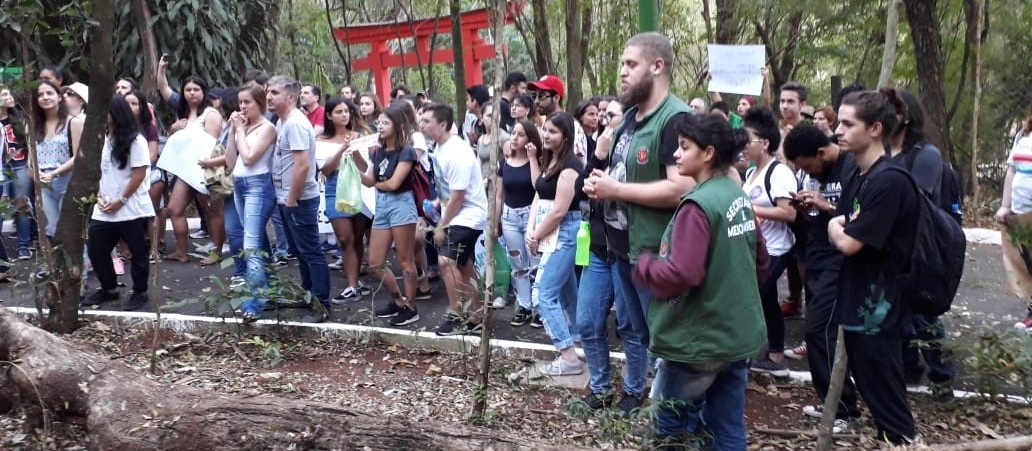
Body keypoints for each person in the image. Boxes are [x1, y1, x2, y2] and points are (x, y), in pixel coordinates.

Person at [634, 113, 768, 450]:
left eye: (684, 147)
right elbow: (760, 260)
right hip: (736, 337)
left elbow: (683, 273)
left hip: (697, 344)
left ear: (707, 153)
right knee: (726, 426)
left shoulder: (698, 205)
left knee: (670, 427)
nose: (676, 155)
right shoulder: (737, 197)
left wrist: (646, 266)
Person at [583, 32, 696, 414]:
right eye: (621, 65)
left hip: (655, 252)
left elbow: (681, 188)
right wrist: (600, 183)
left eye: (630, 65)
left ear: (657, 66)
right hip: (620, 249)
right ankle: (649, 404)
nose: (622, 73)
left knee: (667, 342)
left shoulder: (676, 119)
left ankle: (673, 420)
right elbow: (620, 175)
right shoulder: (630, 119)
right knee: (638, 333)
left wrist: (618, 188)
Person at [828, 88, 918, 444]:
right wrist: (839, 224)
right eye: (838, 122)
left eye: (848, 124)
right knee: (872, 390)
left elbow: (848, 239)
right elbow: (844, 220)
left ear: (876, 128)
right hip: (859, 303)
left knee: (888, 399)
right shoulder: (858, 174)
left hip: (880, 311)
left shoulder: (890, 180)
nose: (838, 131)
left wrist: (835, 227)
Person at [783, 124, 862, 430]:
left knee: (819, 331)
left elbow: (858, 215)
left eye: (808, 166)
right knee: (817, 332)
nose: (809, 173)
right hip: (816, 259)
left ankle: (844, 411)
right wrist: (806, 206)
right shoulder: (820, 172)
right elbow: (817, 216)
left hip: (839, 263)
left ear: (821, 152)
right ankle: (830, 401)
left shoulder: (852, 168)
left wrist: (825, 205)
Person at [890, 90, 955, 398]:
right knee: (897, 314)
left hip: (920, 247)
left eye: (891, 110)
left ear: (906, 116)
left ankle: (942, 379)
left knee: (923, 315)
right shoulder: (883, 152)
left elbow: (918, 198)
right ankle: (907, 369)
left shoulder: (925, 154)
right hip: (890, 248)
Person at [419, 103, 489, 336]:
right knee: (463, 265)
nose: (422, 124)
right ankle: (477, 315)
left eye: (427, 121)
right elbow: (448, 191)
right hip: (457, 213)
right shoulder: (438, 149)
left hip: (468, 215)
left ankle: (457, 315)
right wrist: (433, 208)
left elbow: (458, 197)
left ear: (443, 125)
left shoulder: (457, 153)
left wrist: (441, 226)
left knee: (445, 263)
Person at [264, 75, 331, 320]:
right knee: (302, 252)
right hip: (287, 197)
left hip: (299, 199)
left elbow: (302, 165)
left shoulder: (295, 124)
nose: (269, 96)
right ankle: (309, 295)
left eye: (274, 92)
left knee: (311, 251)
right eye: (268, 92)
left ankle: (322, 304)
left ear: (290, 97)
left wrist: (291, 198)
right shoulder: (282, 122)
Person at [577, 98, 628, 409]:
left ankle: (634, 391)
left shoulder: (635, 156)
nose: (606, 120)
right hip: (597, 249)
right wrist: (598, 156)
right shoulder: (599, 151)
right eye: (604, 115)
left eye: (613, 115)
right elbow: (582, 186)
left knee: (631, 328)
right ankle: (601, 388)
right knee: (587, 322)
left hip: (625, 252)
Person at [528, 112, 586, 376]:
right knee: (566, 291)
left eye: (553, 132)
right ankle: (577, 338)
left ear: (566, 136)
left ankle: (568, 357)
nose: (547, 135)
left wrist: (536, 234)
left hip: (564, 231)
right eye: (545, 130)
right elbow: (540, 191)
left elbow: (560, 210)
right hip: (552, 230)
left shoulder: (571, 166)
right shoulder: (550, 161)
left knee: (542, 294)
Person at [353, 104, 422, 326]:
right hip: (382, 205)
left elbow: (394, 184)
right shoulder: (378, 151)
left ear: (398, 125)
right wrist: (352, 159)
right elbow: (370, 179)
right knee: (375, 262)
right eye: (379, 123)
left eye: (385, 123)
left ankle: (411, 306)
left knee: (405, 259)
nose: (379, 126)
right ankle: (397, 299)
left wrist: (376, 184)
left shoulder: (407, 151)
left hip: (401, 204)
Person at [84, 95, 155, 311]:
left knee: (138, 252)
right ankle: (109, 288)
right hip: (104, 206)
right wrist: (98, 195)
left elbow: (139, 173)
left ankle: (140, 292)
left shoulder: (136, 140)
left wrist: (121, 200)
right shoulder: (103, 138)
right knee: (96, 248)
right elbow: (98, 171)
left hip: (131, 207)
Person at [741, 106, 796, 377]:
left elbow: (789, 212)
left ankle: (750, 354)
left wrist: (753, 210)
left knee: (752, 298)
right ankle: (774, 356)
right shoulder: (751, 173)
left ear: (764, 143)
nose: (742, 146)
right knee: (767, 301)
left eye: (747, 140)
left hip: (775, 249)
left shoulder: (780, 172)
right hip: (755, 248)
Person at [156, 56, 227, 264]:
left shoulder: (211, 113)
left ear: (203, 92)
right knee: (174, 209)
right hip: (185, 171)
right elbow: (164, 88)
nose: (192, 93)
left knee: (212, 210)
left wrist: (183, 129)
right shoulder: (182, 112)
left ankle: (217, 252)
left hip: (206, 169)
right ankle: (181, 251)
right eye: (188, 90)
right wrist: (161, 68)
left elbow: (210, 144)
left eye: (196, 89)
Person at [225, 83, 277, 311]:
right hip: (239, 184)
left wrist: (238, 130)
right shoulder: (241, 129)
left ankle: (253, 304)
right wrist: (232, 132)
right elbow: (230, 161)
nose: (243, 107)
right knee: (259, 241)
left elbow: (249, 158)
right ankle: (272, 290)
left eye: (248, 102)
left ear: (260, 104)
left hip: (259, 186)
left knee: (251, 245)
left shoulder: (267, 128)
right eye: (240, 102)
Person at [318, 98, 372, 302]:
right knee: (344, 238)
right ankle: (351, 285)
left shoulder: (359, 136)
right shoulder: (321, 139)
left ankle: (355, 280)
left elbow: (365, 167)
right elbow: (324, 169)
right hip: (334, 187)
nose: (344, 115)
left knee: (358, 238)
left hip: (358, 188)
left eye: (346, 111)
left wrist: (355, 149)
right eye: (339, 112)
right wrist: (342, 149)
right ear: (329, 116)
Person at [496, 119, 542, 325]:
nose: (514, 138)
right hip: (509, 216)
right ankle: (524, 305)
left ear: (530, 139)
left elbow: (537, 185)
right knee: (518, 264)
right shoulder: (505, 162)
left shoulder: (537, 159)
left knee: (536, 263)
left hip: (531, 215)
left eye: (520, 134)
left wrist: (533, 158)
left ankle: (539, 307)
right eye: (513, 133)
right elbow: (499, 194)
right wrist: (495, 221)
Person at [34, 80, 83, 239]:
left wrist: (55, 173)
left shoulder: (73, 122)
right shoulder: (32, 125)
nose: (45, 97)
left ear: (59, 97)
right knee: (52, 229)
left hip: (66, 180)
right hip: (43, 183)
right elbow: (30, 159)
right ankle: (57, 264)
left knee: (71, 230)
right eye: (40, 94)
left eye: (49, 93)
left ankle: (81, 264)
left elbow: (78, 156)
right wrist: (37, 173)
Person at [998, 103, 1032, 332]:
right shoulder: (1023, 135)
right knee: (1026, 263)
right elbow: (1012, 169)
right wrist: (1005, 205)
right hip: (1020, 213)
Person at [123, 90, 164, 261]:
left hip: (149, 174)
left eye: (134, 103)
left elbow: (152, 154)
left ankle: (153, 250)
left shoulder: (149, 127)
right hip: (124, 175)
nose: (130, 107)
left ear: (142, 107)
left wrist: (138, 168)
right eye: (127, 103)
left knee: (151, 213)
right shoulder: (117, 127)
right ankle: (125, 251)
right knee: (123, 213)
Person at [1, 87, 36, 260]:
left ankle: (23, 246)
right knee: (3, 205)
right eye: (3, 94)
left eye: (8, 93)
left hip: (20, 165)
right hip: (1, 168)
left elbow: (30, 142)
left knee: (22, 205)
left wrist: (31, 165)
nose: (8, 97)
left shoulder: (19, 118)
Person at [527, 75, 588, 163]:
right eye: (535, 96)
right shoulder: (546, 123)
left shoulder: (571, 126)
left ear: (556, 98)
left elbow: (577, 163)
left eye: (541, 96)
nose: (536, 101)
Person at [476, 102, 510, 184]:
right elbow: (478, 164)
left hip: (498, 186)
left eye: (497, 115)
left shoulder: (504, 137)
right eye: (489, 116)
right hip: (483, 186)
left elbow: (509, 163)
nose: (494, 119)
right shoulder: (481, 139)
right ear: (481, 118)